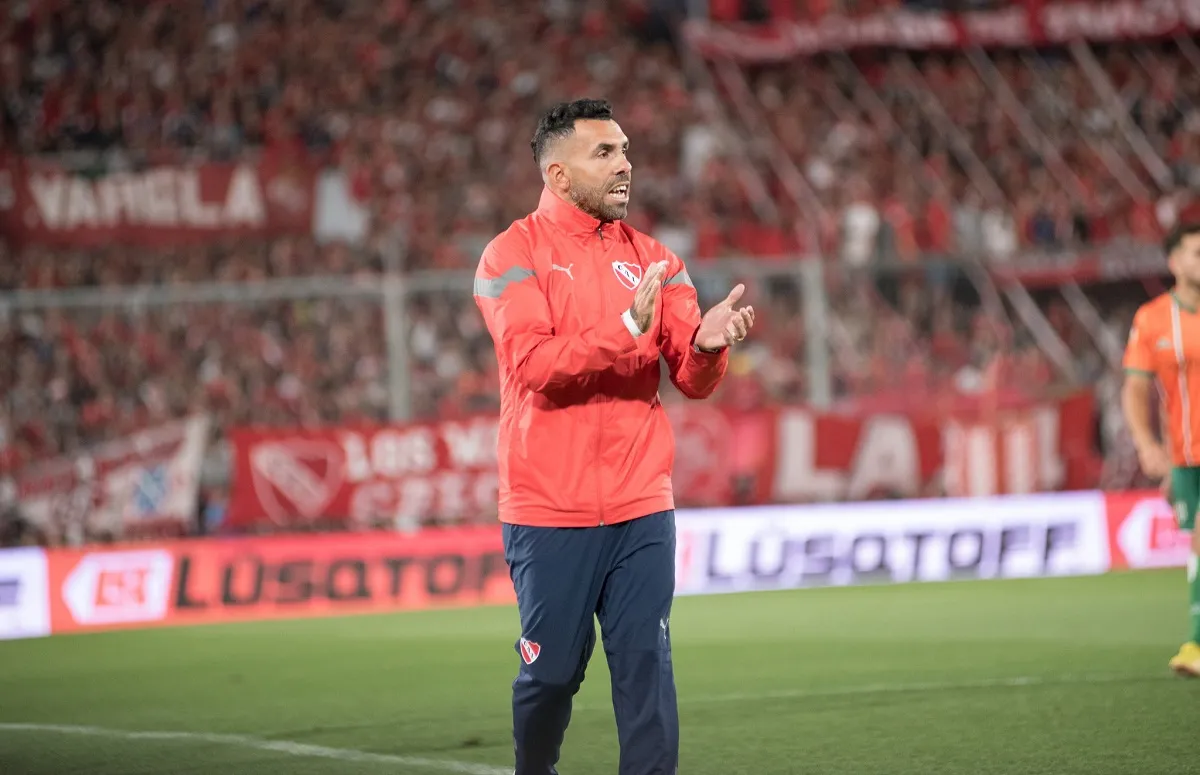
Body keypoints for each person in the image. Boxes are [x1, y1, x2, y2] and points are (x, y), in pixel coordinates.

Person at [472, 99, 755, 774]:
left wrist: (708, 345)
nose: (625, 164)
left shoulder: (657, 260)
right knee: (549, 678)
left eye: (626, 150)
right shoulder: (510, 255)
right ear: (560, 175)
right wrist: (627, 330)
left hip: (641, 506)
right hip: (549, 509)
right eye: (605, 153)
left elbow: (690, 374)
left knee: (645, 667)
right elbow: (534, 366)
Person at [1122, 221, 1200, 676]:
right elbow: (1136, 388)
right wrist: (1147, 443)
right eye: (1194, 252)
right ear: (1173, 262)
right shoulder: (1152, 319)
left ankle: (1195, 644)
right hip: (1187, 456)